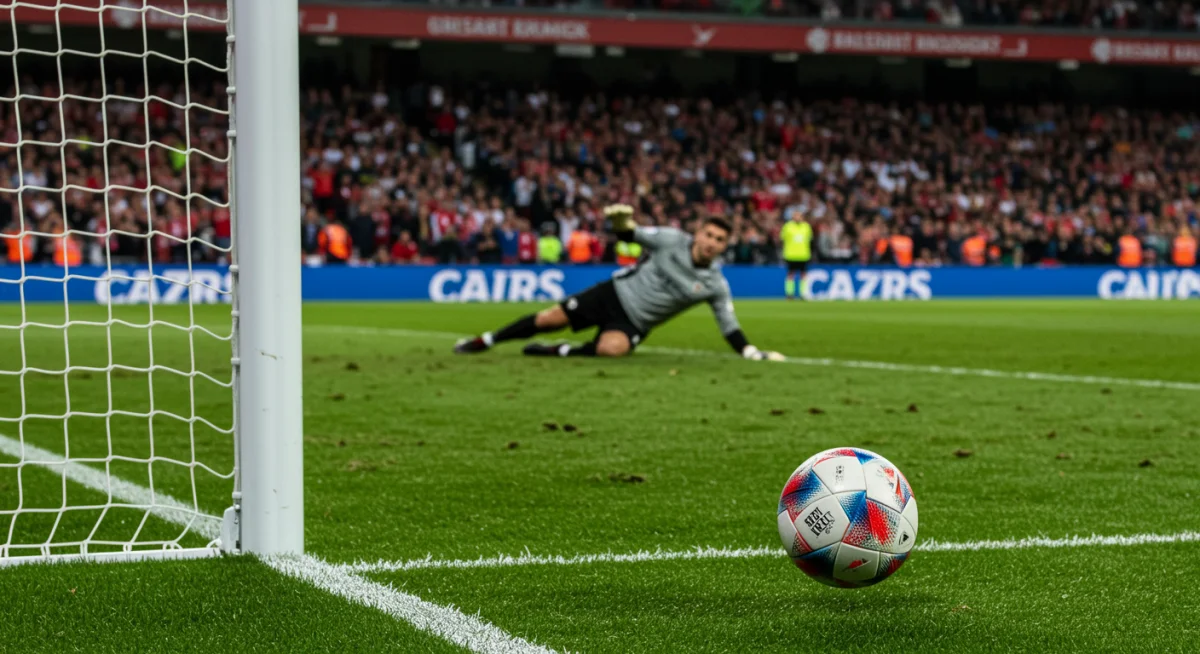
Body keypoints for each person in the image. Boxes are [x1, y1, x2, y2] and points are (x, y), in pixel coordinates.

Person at [454, 204, 786, 361]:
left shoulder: (716, 284)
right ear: (698, 233)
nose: (712, 242)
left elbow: (728, 326)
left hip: (635, 321)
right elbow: (631, 233)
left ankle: (561, 350)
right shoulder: (670, 239)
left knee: (611, 350)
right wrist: (620, 223)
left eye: (719, 239)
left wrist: (751, 352)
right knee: (548, 319)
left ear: (724, 245)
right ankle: (489, 339)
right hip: (613, 294)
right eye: (709, 234)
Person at [780, 208, 813, 300]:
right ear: (792, 217)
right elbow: (782, 238)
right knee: (791, 274)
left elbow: (810, 239)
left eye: (799, 215)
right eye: (795, 215)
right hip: (791, 254)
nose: (797, 217)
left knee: (803, 275)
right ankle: (789, 294)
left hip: (803, 255)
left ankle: (803, 294)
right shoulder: (787, 226)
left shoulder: (806, 227)